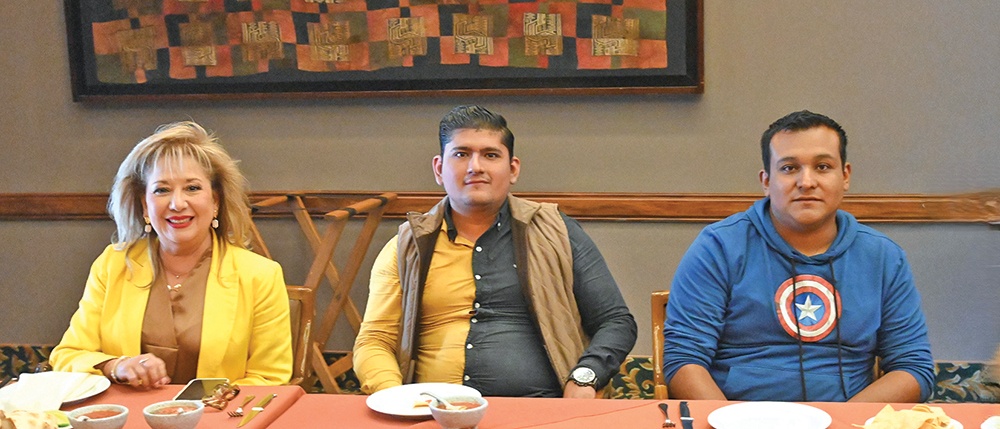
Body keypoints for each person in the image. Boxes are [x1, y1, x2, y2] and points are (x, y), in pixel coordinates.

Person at [353, 105, 636, 398]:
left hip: (544, 408)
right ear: (439, 169)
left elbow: (616, 322)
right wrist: (397, 398)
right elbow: (374, 340)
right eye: (461, 154)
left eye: (490, 155)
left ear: (512, 169)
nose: (476, 167)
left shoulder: (557, 232)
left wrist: (585, 378)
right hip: (434, 411)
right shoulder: (408, 246)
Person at [663, 110, 935, 402]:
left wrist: (845, 420)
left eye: (822, 167)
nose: (806, 182)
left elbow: (912, 367)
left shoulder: (883, 257)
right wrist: (728, 420)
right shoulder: (718, 247)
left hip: (848, 417)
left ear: (845, 176)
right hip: (737, 415)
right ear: (766, 181)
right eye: (789, 168)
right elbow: (684, 360)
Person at [50, 121, 292, 388]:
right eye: (162, 190)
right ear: (145, 205)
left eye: (192, 188)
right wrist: (115, 366)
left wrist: (199, 406)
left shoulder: (260, 275)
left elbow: (270, 378)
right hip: (127, 412)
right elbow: (68, 355)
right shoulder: (113, 264)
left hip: (219, 412)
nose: (177, 204)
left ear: (216, 201)